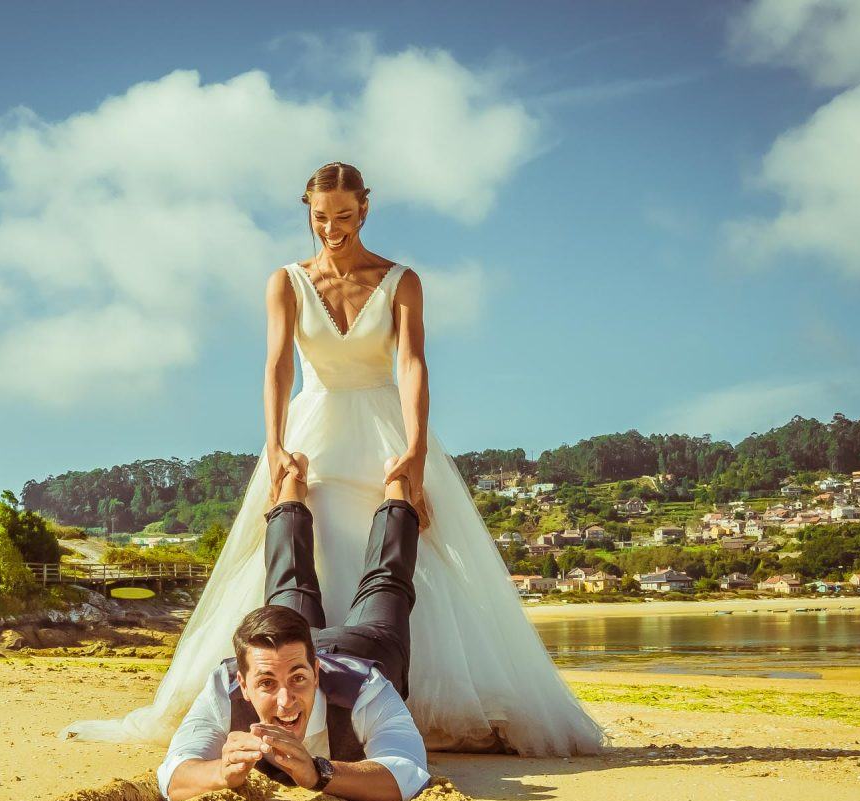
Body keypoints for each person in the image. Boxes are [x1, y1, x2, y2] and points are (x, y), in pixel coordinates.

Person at [59, 161, 610, 758]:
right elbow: (278, 365)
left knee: (407, 538)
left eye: (344, 217)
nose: (332, 229)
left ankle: (398, 700)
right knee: (295, 533)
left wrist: (416, 449)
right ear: (309, 214)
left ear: (364, 211)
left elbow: (411, 364)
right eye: (321, 218)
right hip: (313, 423)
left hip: (383, 423)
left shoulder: (401, 280)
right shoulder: (287, 281)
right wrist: (273, 443)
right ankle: (285, 689)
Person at [159, 453, 429, 801]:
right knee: (289, 587)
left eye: (298, 679)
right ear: (242, 682)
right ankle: (291, 486)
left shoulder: (366, 689)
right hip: (295, 648)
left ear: (316, 672)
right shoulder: (222, 689)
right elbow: (173, 774)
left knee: (385, 583)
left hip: (365, 647)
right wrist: (220, 773)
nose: (285, 702)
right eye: (267, 683)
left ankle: (397, 490)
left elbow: (407, 773)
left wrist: (320, 773)